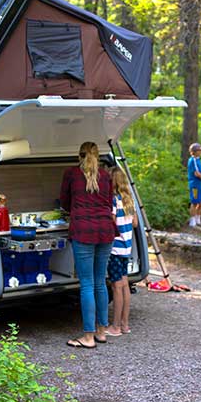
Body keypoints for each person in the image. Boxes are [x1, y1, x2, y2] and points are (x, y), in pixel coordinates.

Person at [60, 141, 116, 349]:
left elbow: (65, 202)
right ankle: (102, 332)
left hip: (83, 230)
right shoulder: (106, 176)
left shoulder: (72, 174)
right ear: (98, 156)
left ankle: (88, 336)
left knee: (86, 284)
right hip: (105, 230)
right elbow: (109, 203)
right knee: (100, 281)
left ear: (79, 155)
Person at [105, 166, 134, 337]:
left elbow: (112, 223)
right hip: (127, 247)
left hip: (115, 248)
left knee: (116, 286)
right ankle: (125, 324)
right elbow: (135, 223)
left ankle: (115, 327)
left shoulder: (113, 200)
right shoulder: (128, 199)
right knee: (124, 285)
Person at [187, 142, 201, 229]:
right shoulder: (193, 160)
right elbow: (196, 173)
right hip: (195, 184)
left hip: (200, 184)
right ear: (194, 151)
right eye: (199, 150)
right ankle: (192, 223)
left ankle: (198, 220)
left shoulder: (198, 159)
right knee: (194, 202)